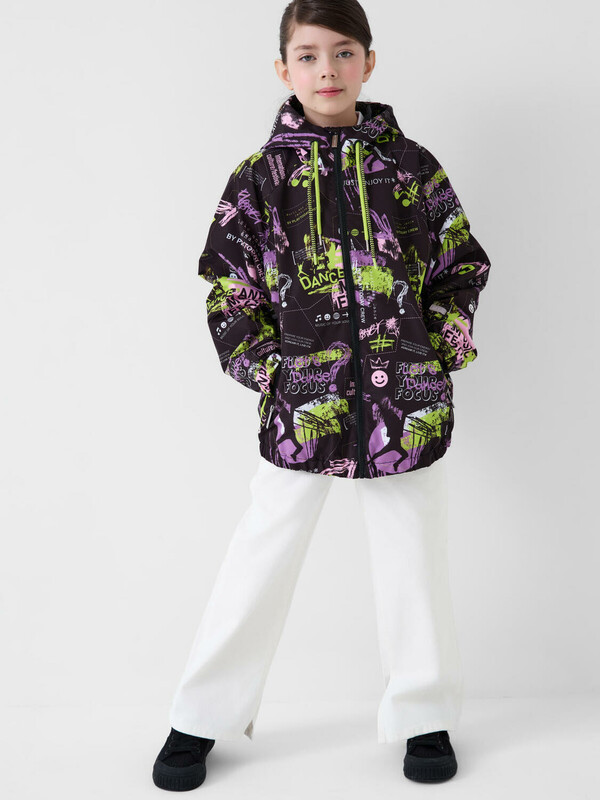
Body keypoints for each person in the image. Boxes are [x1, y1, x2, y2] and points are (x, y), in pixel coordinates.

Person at [152, 0, 491, 790]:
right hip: (301, 406)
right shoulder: (258, 179)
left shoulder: (413, 169)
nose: (327, 70)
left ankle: (423, 713)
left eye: (342, 52)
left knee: (413, 555)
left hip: (406, 403)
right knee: (260, 552)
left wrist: (439, 350)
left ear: (368, 61)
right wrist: (271, 374)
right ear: (284, 69)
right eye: (308, 55)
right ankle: (199, 715)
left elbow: (460, 263)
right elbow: (229, 288)